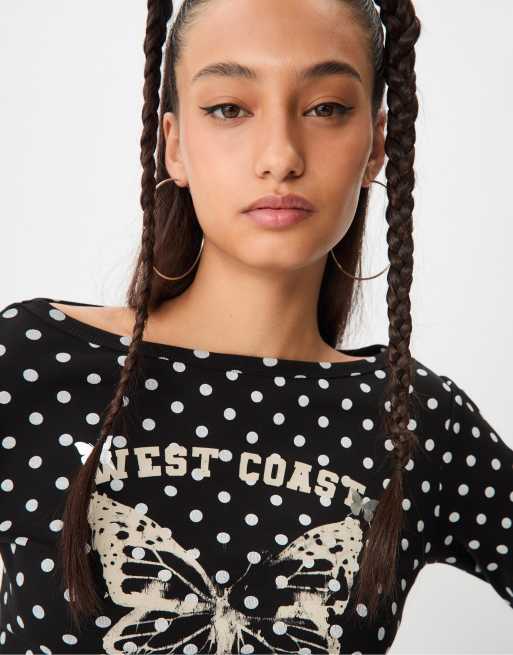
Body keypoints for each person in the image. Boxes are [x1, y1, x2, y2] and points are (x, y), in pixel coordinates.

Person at [0, 0, 511, 653]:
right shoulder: (31, 362)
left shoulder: (411, 420)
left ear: (376, 145)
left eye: (326, 108)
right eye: (228, 109)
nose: (280, 156)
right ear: (174, 145)